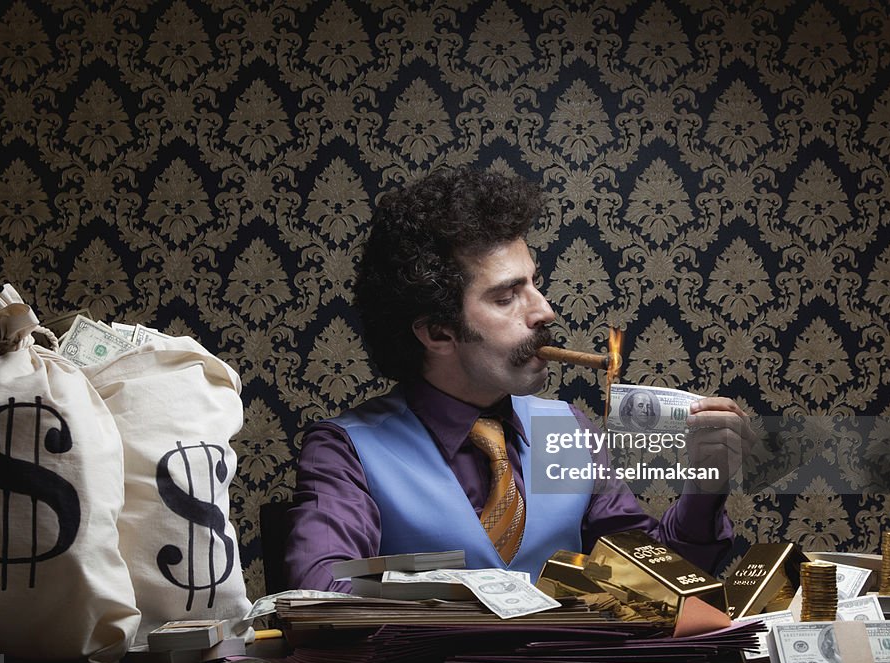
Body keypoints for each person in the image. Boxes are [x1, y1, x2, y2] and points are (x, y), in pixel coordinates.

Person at [284, 165, 755, 592]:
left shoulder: (569, 429)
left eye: (533, 283)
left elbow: (659, 582)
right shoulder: (345, 450)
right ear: (438, 332)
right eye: (507, 296)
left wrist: (704, 485)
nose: (544, 311)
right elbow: (322, 595)